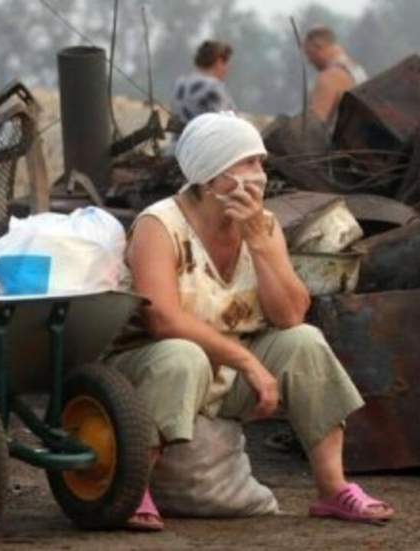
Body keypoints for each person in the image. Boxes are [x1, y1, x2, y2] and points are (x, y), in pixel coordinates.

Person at [105, 112, 394, 531]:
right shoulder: (159, 225)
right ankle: (134, 489)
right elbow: (162, 321)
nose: (259, 176)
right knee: (182, 356)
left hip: (227, 369)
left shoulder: (263, 224)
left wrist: (261, 245)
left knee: (305, 341)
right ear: (210, 175)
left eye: (260, 164)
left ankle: (333, 489)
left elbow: (291, 314)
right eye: (247, 164)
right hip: (154, 365)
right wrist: (247, 362)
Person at [303, 25, 368, 128]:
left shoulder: (330, 76)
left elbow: (315, 125)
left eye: (310, 54)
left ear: (319, 46)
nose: (310, 62)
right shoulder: (356, 70)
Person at [170, 40, 237, 130]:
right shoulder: (214, 88)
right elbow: (226, 125)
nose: (227, 69)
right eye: (226, 63)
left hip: (179, 142)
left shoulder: (180, 84)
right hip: (205, 142)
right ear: (219, 61)